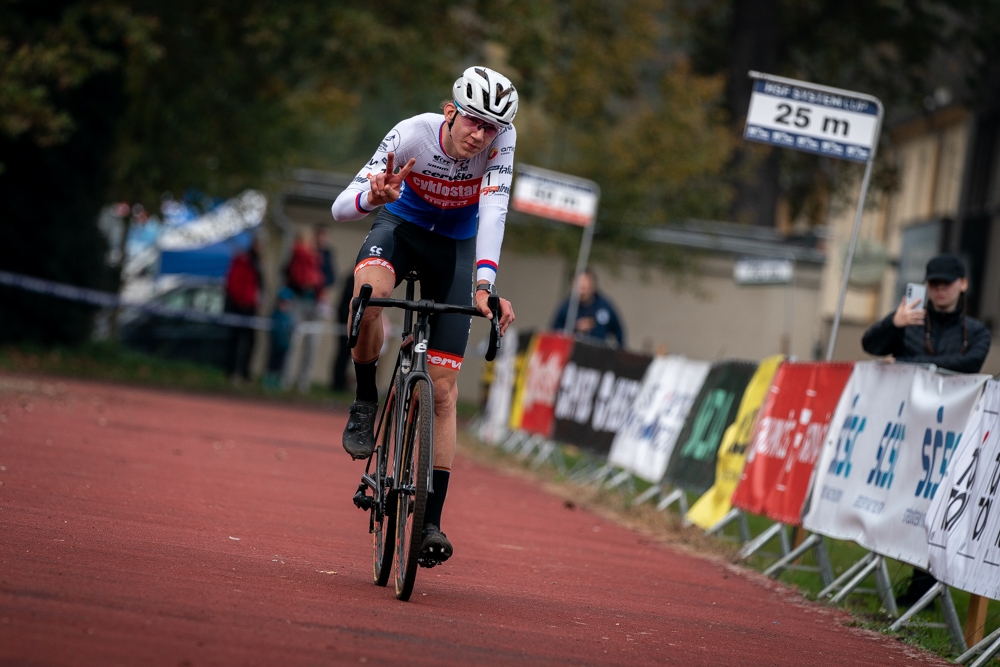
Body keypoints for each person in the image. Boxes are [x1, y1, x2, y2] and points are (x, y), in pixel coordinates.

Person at [331, 66, 517, 566]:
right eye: (473, 121)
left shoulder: (502, 141)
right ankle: (366, 399)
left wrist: (484, 285)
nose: (480, 135)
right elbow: (340, 208)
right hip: (401, 228)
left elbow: (495, 209)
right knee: (367, 293)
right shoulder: (411, 133)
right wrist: (375, 195)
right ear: (450, 111)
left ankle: (431, 520)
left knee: (443, 389)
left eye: (490, 128)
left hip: (455, 249)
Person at [861, 252, 991, 605]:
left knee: (934, 507)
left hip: (951, 436)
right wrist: (894, 322)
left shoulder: (977, 331)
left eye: (946, 283)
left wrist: (905, 363)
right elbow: (870, 345)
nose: (938, 290)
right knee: (901, 502)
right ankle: (902, 578)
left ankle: (926, 587)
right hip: (905, 431)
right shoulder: (910, 320)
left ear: (962, 284)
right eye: (933, 283)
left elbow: (969, 363)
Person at [552, 269, 625, 347]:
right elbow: (554, 332)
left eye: (585, 287)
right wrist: (575, 328)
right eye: (578, 287)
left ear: (592, 285)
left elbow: (618, 331)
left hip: (598, 353)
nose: (582, 292)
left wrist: (617, 354)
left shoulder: (605, 306)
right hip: (573, 352)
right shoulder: (567, 307)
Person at [223, 237, 262, 382]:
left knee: (250, 341)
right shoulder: (243, 261)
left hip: (251, 307)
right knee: (236, 341)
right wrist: (242, 300)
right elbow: (234, 283)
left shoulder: (256, 262)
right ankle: (232, 372)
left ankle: (245, 373)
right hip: (240, 306)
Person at [264, 287, 296, 390]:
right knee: (272, 363)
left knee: (280, 365)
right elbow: (272, 331)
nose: (284, 305)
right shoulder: (275, 315)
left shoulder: (289, 317)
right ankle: (268, 382)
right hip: (275, 345)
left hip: (284, 346)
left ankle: (277, 383)